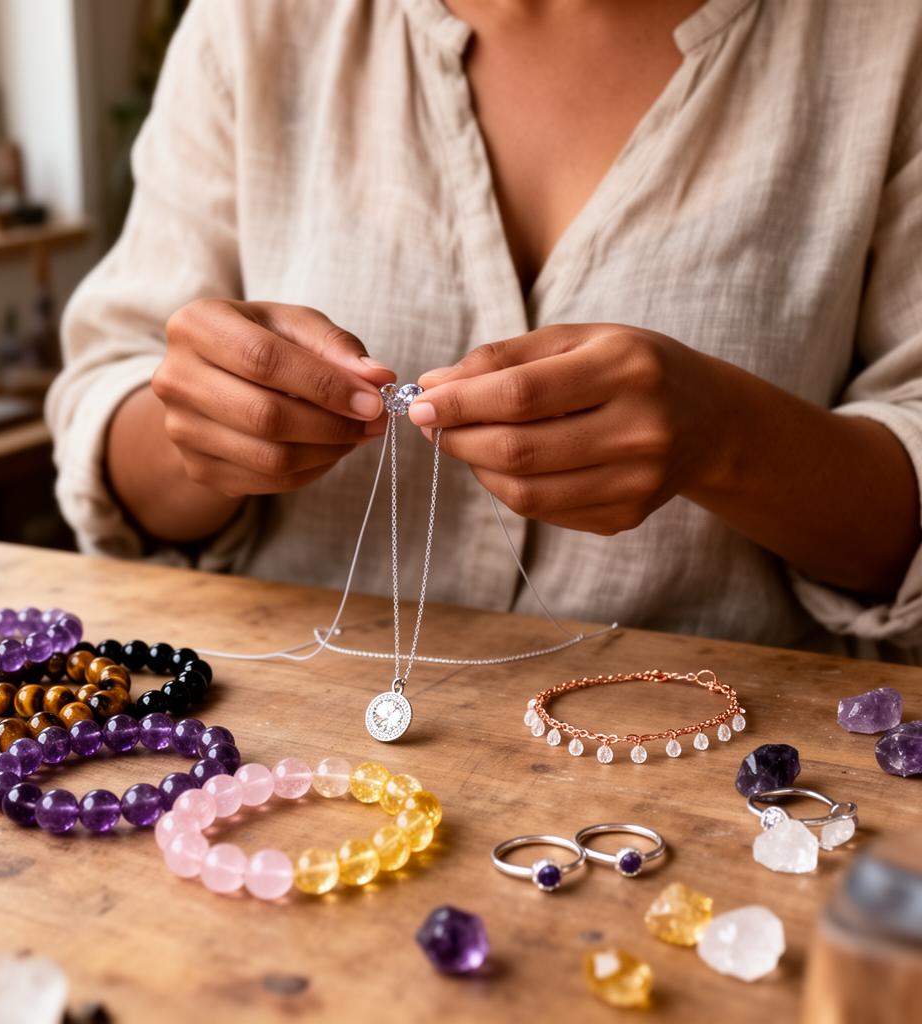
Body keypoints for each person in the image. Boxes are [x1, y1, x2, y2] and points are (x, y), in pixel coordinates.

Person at [47, 0, 922, 661]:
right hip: (283, 757)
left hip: (716, 775)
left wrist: (730, 439)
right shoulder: (258, 24)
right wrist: (198, 427)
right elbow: (110, 397)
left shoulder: (885, 41)